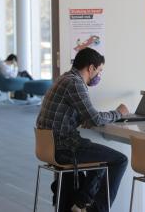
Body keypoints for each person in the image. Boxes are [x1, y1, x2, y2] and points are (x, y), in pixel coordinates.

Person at [36, 47, 129, 212]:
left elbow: (69, 114)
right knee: (119, 160)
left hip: (49, 146)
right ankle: (91, 208)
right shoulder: (75, 83)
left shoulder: (64, 78)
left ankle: (80, 204)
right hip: (64, 147)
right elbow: (95, 118)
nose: (99, 75)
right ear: (91, 68)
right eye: (99, 70)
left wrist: (81, 118)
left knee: (98, 159)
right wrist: (119, 113)